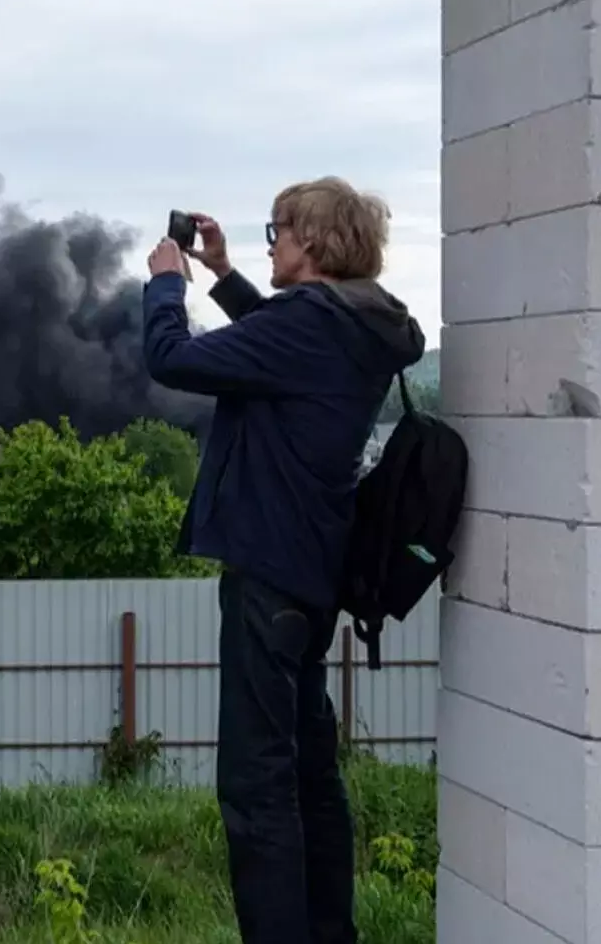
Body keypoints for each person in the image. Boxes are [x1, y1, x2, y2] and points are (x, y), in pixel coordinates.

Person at [141, 178, 425, 944]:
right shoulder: (359, 325)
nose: (274, 245)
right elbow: (281, 348)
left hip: (268, 573)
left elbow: (172, 359)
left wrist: (168, 284)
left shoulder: (307, 326)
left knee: (257, 783)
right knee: (309, 771)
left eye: (279, 232)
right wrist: (227, 275)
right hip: (313, 571)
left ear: (315, 243)